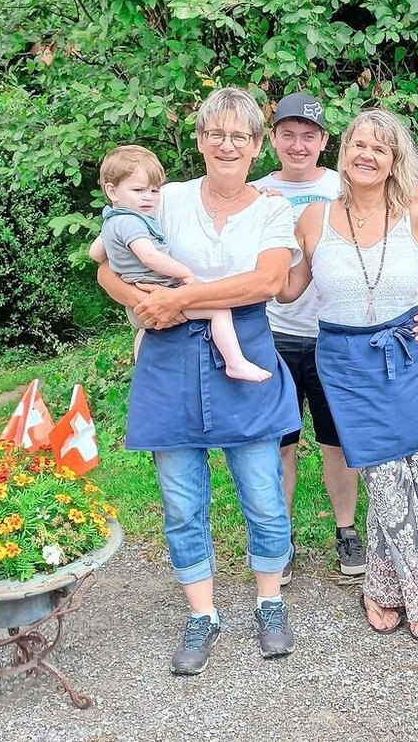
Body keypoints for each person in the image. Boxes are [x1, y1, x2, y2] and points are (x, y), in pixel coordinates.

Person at [93, 87, 302, 673]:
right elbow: (106, 265)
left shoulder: (272, 209)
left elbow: (266, 282)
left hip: (245, 352)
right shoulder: (167, 199)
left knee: (263, 495)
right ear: (201, 141)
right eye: (216, 134)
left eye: (239, 136)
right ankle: (202, 614)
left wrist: (179, 298)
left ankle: (270, 602)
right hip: (169, 358)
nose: (227, 145)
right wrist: (141, 303)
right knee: (182, 502)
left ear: (257, 146)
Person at [281, 109, 418, 644]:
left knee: (414, 476)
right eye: (357, 144)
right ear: (343, 153)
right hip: (345, 365)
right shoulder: (313, 218)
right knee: (385, 480)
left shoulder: (417, 215)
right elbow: (288, 289)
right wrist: (256, 243)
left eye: (379, 148)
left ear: (394, 161)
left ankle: (381, 586)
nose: (366, 155)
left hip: (406, 354)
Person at [253, 93, 365, 579]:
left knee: (337, 442)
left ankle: (347, 531)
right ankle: (280, 537)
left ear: (324, 141)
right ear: (273, 139)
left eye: (309, 136)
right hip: (272, 334)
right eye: (288, 135)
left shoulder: (346, 187)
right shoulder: (255, 192)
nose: (298, 145)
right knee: (279, 444)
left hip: (335, 336)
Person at [96, 145, 272, 382]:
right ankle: (235, 362)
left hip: (141, 304)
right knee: (219, 311)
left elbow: (96, 254)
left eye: (154, 190)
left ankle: (142, 374)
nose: (148, 197)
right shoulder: (132, 223)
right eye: (138, 190)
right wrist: (185, 274)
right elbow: (150, 257)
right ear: (112, 191)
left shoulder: (111, 220)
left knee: (144, 333)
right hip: (158, 293)